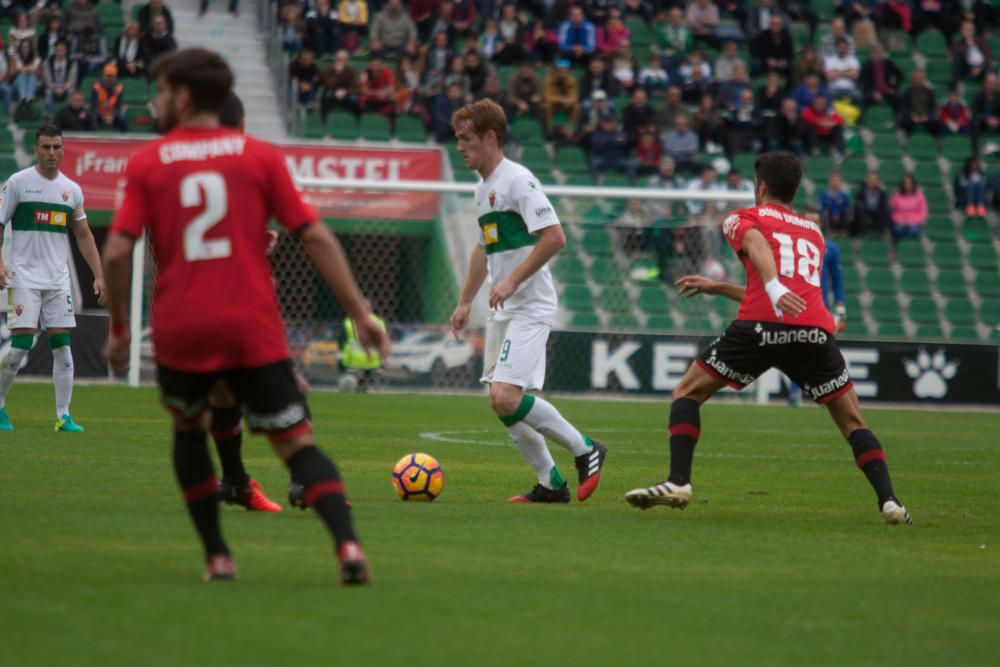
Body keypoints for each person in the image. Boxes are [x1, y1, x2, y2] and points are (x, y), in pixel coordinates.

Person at [102, 48, 390, 583]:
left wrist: (120, 330)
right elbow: (317, 236)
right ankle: (348, 549)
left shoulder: (146, 162)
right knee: (296, 443)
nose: (156, 102)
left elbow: (117, 253)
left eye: (162, 91)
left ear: (184, 97)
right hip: (248, 323)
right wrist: (361, 313)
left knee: (189, 430)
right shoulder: (260, 157)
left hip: (182, 327)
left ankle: (218, 556)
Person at [624, 151, 913, 526]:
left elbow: (759, 247)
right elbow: (786, 297)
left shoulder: (743, 218)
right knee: (853, 422)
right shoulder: (814, 231)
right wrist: (722, 287)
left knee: (687, 393)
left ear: (760, 187)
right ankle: (890, 503)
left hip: (760, 328)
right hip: (813, 330)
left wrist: (773, 286)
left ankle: (679, 483)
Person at [449, 98, 608, 503]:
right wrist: (466, 301)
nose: (459, 147)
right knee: (502, 403)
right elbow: (484, 250)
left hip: (530, 305)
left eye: (466, 139)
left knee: (506, 397)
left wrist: (514, 281)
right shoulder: (482, 188)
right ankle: (550, 484)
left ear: (490, 137)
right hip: (505, 308)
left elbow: (554, 236)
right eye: (456, 139)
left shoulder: (518, 180)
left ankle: (585, 448)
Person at [0, 124, 106, 432]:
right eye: (45, 147)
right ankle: (1, 406)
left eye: (56, 147)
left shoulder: (71, 190)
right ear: (36, 150)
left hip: (57, 280)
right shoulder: (18, 183)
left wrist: (99, 274)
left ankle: (63, 416)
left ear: (62, 149)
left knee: (61, 343)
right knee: (21, 345)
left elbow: (84, 234)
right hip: (23, 278)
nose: (51, 153)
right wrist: (1, 264)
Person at [889, 173, 928, 242]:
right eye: (905, 183)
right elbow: (891, 210)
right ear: (902, 184)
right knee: (897, 229)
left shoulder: (920, 196)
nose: (907, 185)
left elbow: (923, 212)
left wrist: (912, 222)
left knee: (913, 230)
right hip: (899, 222)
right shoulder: (896, 195)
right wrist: (899, 220)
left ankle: (904, 245)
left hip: (914, 223)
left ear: (913, 184)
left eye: (909, 183)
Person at [90, 62, 128, 132]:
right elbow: (93, 106)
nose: (109, 79)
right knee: (92, 118)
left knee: (122, 119)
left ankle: (126, 139)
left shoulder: (119, 88)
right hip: (99, 114)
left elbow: (119, 106)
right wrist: (102, 116)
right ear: (103, 76)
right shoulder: (96, 87)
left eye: (112, 76)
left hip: (114, 115)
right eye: (107, 76)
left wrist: (112, 116)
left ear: (116, 77)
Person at [852, 170, 891, 237]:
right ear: (867, 180)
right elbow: (859, 205)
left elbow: (883, 207)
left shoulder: (882, 193)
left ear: (878, 181)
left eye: (875, 179)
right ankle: (865, 232)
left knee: (887, 210)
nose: (872, 181)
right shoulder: (861, 192)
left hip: (877, 215)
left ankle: (881, 233)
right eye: (870, 179)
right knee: (859, 208)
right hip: (865, 215)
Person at [819, 170, 851, 235]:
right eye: (833, 180)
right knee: (826, 212)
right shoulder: (824, 194)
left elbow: (847, 207)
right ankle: (829, 232)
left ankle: (843, 232)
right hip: (829, 219)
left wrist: (838, 214)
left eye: (837, 180)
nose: (835, 182)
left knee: (846, 212)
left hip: (841, 218)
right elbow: (821, 208)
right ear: (830, 181)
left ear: (840, 182)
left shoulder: (844, 195)